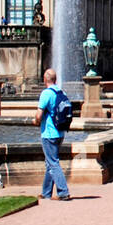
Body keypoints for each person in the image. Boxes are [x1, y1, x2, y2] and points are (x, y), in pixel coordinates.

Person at [34, 68, 71, 200]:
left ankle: (63, 192)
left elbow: (39, 114)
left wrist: (35, 121)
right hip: (60, 132)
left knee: (53, 162)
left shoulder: (46, 93)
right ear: (55, 79)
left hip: (49, 133)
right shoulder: (61, 91)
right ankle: (46, 192)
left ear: (45, 79)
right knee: (50, 162)